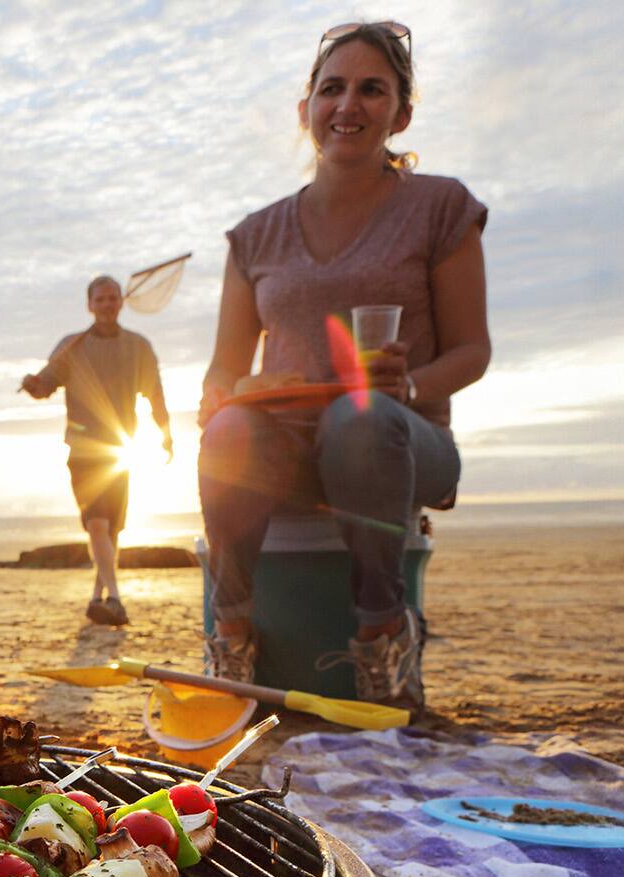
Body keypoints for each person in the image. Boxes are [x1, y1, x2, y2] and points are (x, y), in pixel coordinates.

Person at [196, 22, 490, 713]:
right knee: (231, 431)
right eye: (331, 88)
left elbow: (473, 351)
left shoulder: (440, 207)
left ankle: (383, 641)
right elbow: (222, 375)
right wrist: (233, 399)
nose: (346, 105)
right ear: (305, 111)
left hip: (403, 442)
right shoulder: (255, 235)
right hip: (285, 449)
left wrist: (410, 384)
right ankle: (231, 635)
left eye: (371, 89)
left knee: (358, 417)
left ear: (401, 114)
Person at [21, 275, 172, 625]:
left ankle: (97, 598)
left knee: (111, 529)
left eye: (112, 298)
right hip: (84, 451)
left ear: (122, 302)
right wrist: (32, 385)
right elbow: (45, 385)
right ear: (89, 305)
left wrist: (166, 435)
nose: (107, 304)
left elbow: (156, 395)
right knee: (98, 524)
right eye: (100, 299)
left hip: (121, 448)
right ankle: (116, 599)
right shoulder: (72, 346)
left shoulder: (139, 347)